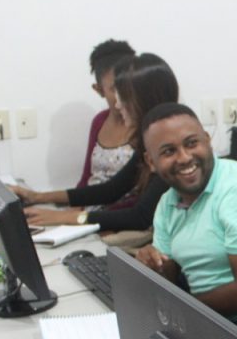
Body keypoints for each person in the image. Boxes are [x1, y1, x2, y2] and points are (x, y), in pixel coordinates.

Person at [134, 103, 237, 337]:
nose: (184, 157)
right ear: (151, 162)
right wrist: (153, 262)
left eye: (192, 143)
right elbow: (168, 274)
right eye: (168, 151)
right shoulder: (168, 202)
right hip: (210, 316)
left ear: (207, 140)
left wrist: (181, 309)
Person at [10, 53, 178, 232]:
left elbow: (140, 216)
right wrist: (36, 197)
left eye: (124, 98)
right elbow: (110, 190)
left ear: (143, 100)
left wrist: (65, 217)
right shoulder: (149, 142)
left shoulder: (171, 147)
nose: (118, 105)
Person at [76, 39, 135, 189]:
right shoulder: (99, 121)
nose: (125, 94)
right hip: (89, 205)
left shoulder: (147, 124)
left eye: (130, 83)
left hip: (119, 211)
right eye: (115, 89)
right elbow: (86, 178)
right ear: (99, 90)